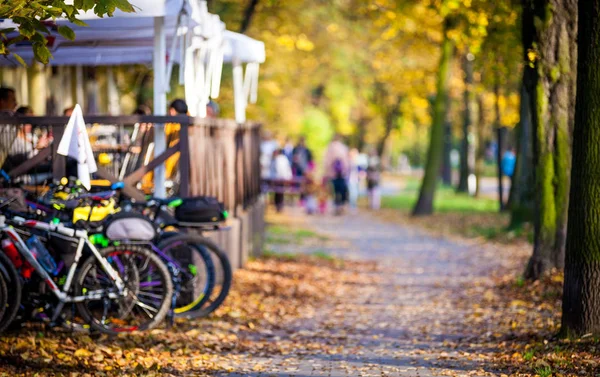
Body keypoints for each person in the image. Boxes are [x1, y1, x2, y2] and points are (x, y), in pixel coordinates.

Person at [323, 134, 350, 215]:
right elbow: (347, 162)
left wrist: (326, 173)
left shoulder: (329, 148)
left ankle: (336, 207)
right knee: (342, 190)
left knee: (335, 191)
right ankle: (341, 206)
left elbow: (326, 162)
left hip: (333, 174)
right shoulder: (344, 148)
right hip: (342, 174)